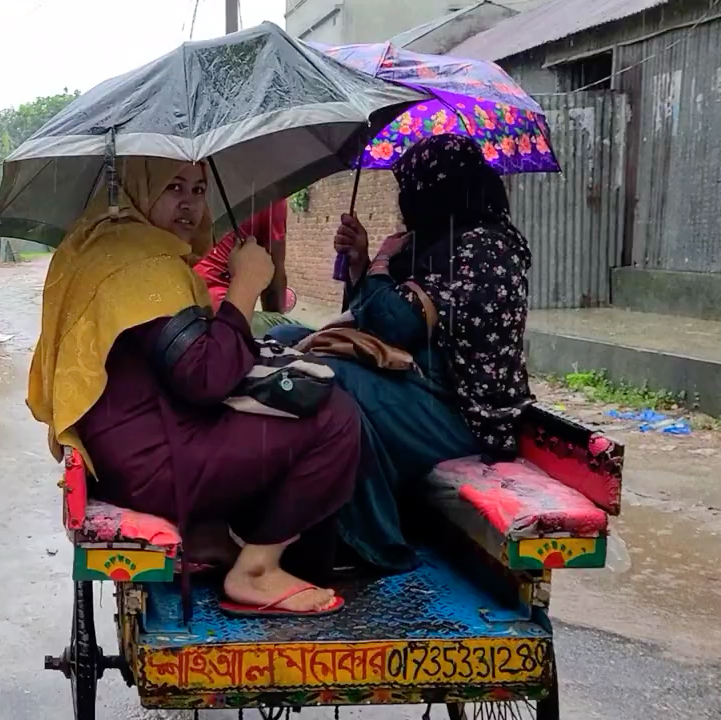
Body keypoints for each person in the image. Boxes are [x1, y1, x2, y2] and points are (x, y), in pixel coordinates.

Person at [28, 157, 362, 615]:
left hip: (121, 449)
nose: (189, 204)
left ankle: (215, 538)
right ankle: (257, 571)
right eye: (173, 188)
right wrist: (245, 283)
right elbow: (207, 378)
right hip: (152, 464)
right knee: (336, 416)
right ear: (138, 191)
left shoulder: (106, 245)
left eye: (199, 190)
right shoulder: (142, 266)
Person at [269, 134, 533, 571]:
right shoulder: (445, 242)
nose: (403, 206)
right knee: (286, 336)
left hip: (462, 417)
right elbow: (374, 318)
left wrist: (378, 264)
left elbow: (397, 322)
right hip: (422, 386)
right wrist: (360, 261)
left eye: (408, 193)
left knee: (324, 379)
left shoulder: (483, 248)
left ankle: (371, 537)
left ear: (435, 193)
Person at [192, 200, 298, 336]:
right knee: (294, 330)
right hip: (224, 313)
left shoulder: (197, 197)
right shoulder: (270, 196)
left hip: (185, 309)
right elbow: (275, 279)